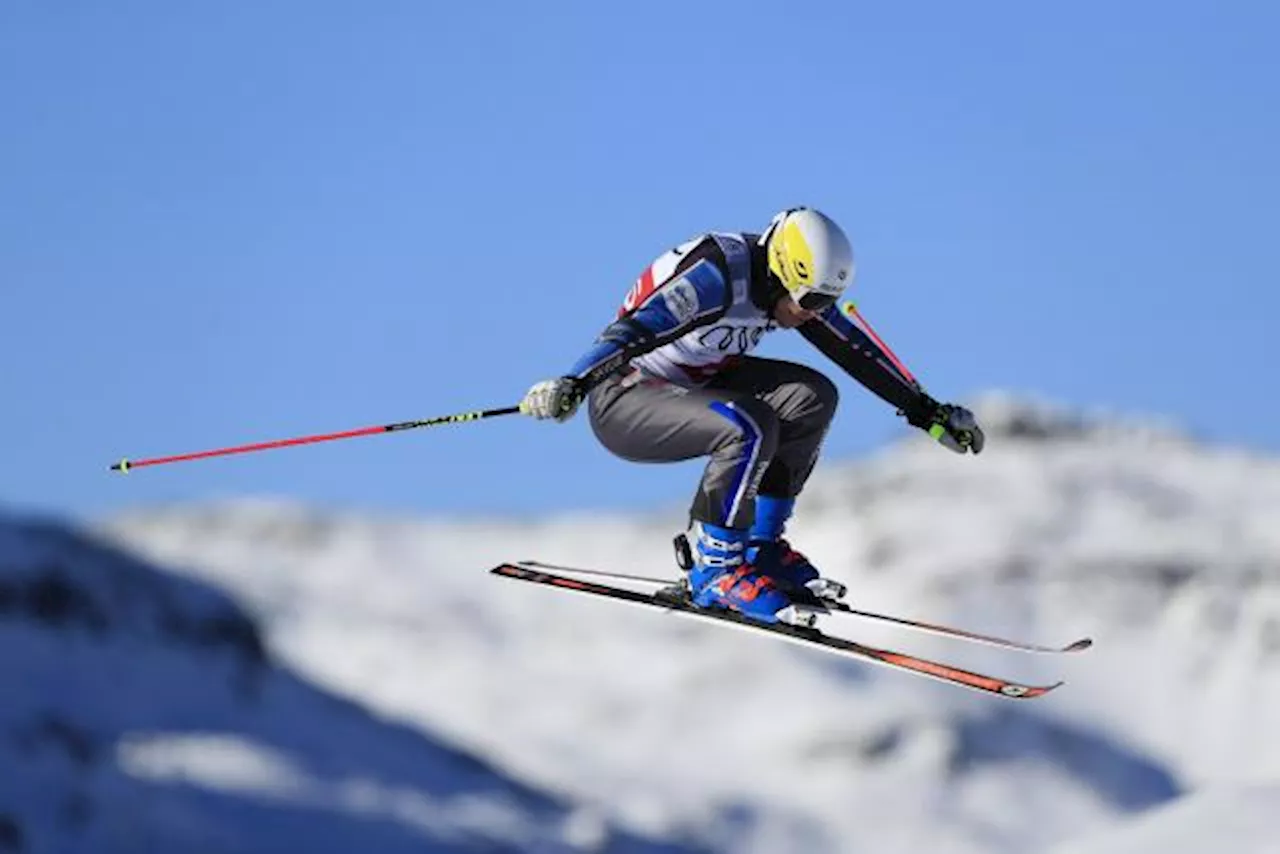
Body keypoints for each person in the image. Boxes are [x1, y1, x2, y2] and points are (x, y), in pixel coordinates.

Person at [520, 208, 984, 625]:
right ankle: (715, 569)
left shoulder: (793, 289)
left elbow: (852, 348)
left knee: (811, 395)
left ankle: (759, 547)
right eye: (812, 301)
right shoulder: (716, 277)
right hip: (625, 398)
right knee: (749, 422)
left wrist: (928, 412)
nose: (814, 313)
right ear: (784, 273)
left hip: (696, 385)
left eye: (825, 302)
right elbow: (636, 328)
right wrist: (574, 381)